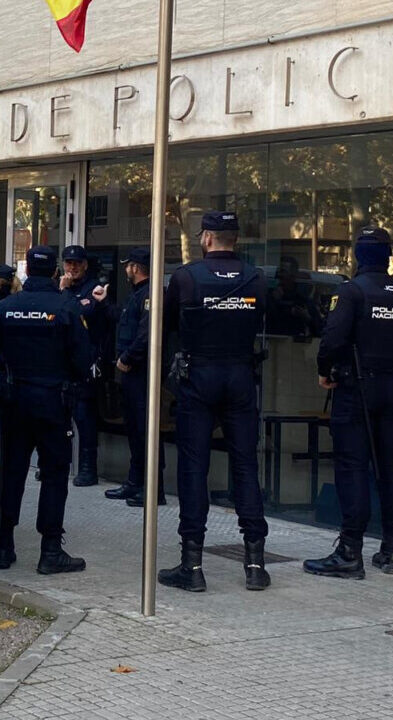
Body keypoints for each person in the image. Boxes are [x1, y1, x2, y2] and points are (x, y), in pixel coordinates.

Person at [158, 210, 271, 593]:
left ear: (207, 238)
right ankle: (255, 564)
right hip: (240, 376)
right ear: (235, 239)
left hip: (199, 376)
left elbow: (166, 327)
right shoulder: (255, 278)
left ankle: (192, 566)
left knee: (194, 468)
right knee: (245, 466)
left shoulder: (187, 277)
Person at [304, 227, 393, 579]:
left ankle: (349, 551)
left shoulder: (352, 292)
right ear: (387, 256)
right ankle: (392, 550)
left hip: (357, 388)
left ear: (358, 255)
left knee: (352, 466)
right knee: (390, 467)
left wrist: (325, 371)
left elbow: (332, 340)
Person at [0, 245, 93, 575]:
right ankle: (50, 550)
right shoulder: (66, 306)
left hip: (13, 402)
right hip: (53, 402)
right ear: (54, 271)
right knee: (54, 474)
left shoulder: (4, 308)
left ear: (26, 271)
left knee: (12, 471)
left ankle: (3, 545)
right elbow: (83, 360)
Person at [93, 247, 166, 507]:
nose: (126, 269)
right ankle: (135, 482)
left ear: (135, 267)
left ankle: (154, 489)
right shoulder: (136, 294)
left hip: (143, 373)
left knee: (146, 431)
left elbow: (147, 335)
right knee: (135, 430)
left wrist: (127, 358)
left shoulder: (151, 294)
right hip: (132, 374)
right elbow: (122, 320)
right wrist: (104, 303)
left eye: (128, 265)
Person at [59, 245, 105, 487]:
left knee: (85, 418)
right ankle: (57, 463)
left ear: (85, 265)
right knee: (59, 417)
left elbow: (77, 313)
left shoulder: (94, 288)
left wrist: (65, 292)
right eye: (69, 263)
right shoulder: (59, 287)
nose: (73, 267)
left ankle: (88, 468)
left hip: (85, 363)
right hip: (62, 362)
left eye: (77, 263)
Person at [266, 256, 323, 338]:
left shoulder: (303, 301)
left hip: (296, 344)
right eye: (278, 272)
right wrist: (273, 301)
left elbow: (320, 331)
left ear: (293, 276)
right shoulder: (269, 296)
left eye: (283, 271)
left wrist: (306, 318)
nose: (279, 275)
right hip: (271, 342)